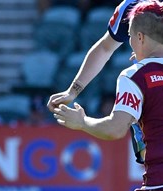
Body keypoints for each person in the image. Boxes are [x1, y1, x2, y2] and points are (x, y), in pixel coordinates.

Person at [52, 2, 163, 191]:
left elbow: (115, 128)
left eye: (130, 38)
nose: (129, 48)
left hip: (160, 188)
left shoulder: (135, 74)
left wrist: (82, 121)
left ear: (139, 38)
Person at [47, 0, 147, 167]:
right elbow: (105, 48)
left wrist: (82, 122)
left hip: (149, 87)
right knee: (151, 162)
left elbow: (114, 130)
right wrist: (73, 91)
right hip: (149, 92)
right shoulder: (132, 5)